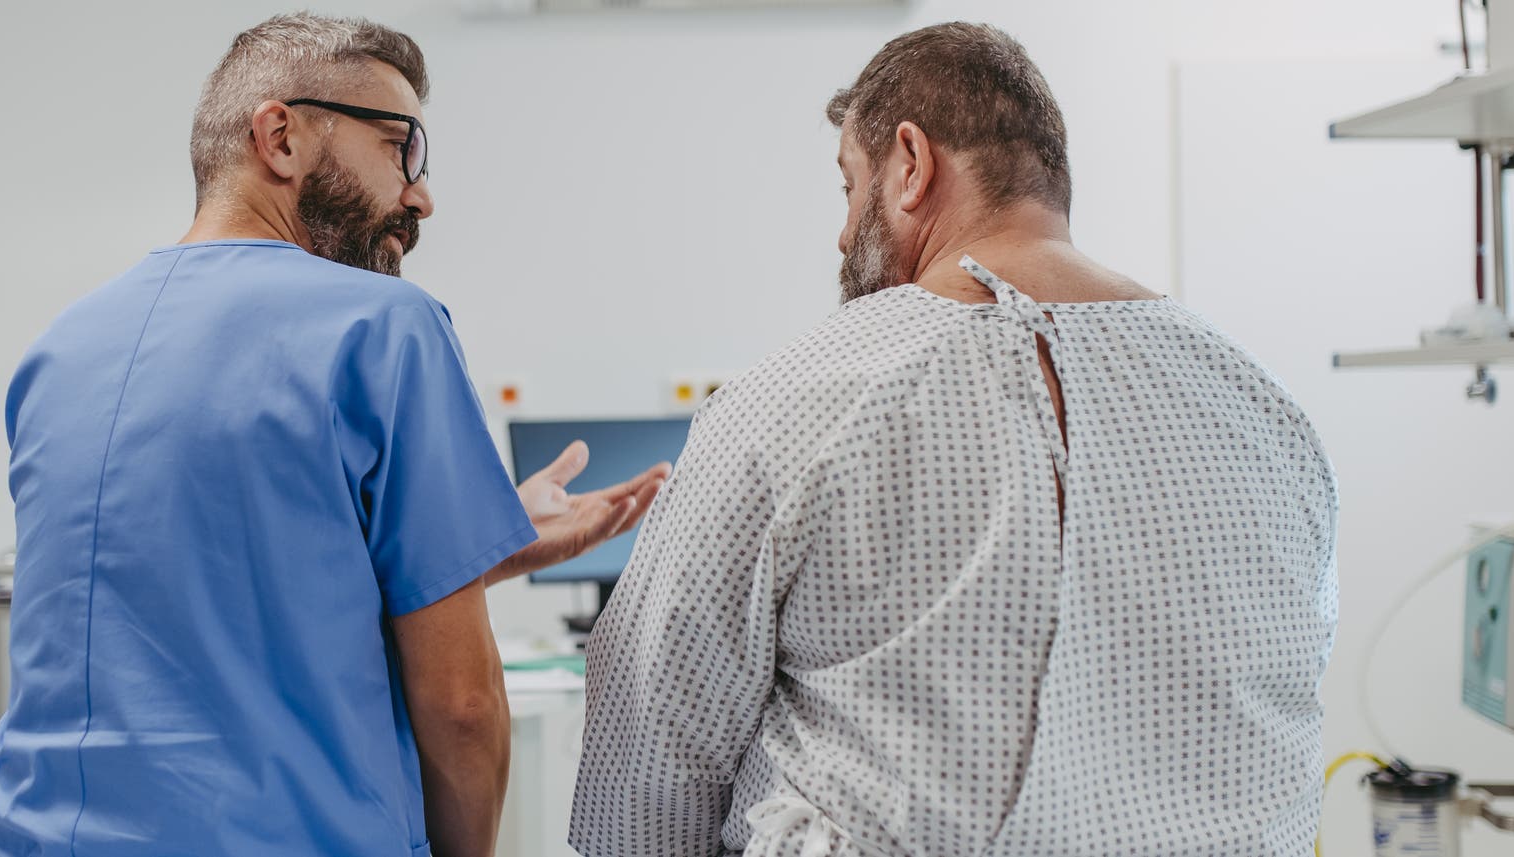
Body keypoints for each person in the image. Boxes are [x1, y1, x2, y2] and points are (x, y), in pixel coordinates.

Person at [571, 22, 1338, 857]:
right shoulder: (1264, 409)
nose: (841, 233)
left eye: (848, 185)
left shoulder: (796, 399)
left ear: (911, 163)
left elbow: (647, 760)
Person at [0, 13, 667, 857]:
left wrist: (473, 545)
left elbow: (210, 591)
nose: (421, 194)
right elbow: (462, 704)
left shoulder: (60, 346)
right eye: (397, 148)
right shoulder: (386, 327)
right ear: (281, 137)